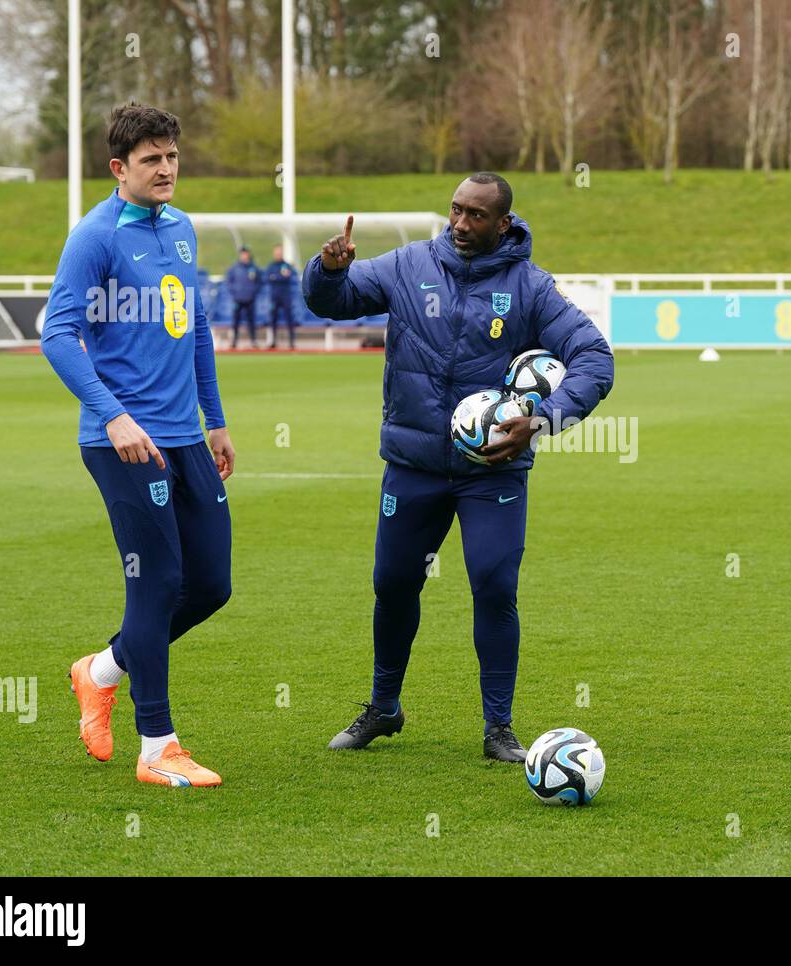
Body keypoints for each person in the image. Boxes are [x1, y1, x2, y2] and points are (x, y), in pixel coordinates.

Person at [303, 172, 614, 762]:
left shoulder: (531, 287)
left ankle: (499, 728)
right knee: (393, 585)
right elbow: (331, 304)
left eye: (476, 216)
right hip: (413, 464)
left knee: (494, 586)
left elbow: (595, 358)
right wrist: (330, 270)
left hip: (492, 472)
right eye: (456, 211)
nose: (462, 225)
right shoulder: (408, 264)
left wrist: (543, 419)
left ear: (503, 224)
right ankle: (383, 707)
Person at [40, 103, 236, 788]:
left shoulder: (181, 228)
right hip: (123, 442)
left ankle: (98, 673)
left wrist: (215, 420)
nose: (167, 169)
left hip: (185, 438)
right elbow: (58, 335)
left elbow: (198, 327)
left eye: (173, 156)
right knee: (155, 587)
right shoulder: (94, 237)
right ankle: (158, 747)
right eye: (152, 159)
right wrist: (114, 416)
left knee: (211, 584)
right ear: (119, 168)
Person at [264, 244, 299, 350]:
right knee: (272, 319)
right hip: (274, 297)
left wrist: (276, 277)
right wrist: (281, 277)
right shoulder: (271, 266)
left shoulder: (287, 265)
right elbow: (267, 277)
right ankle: (273, 341)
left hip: (286, 296)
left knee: (289, 319)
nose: (278, 254)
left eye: (280, 252)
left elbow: (292, 276)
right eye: (276, 252)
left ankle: (291, 342)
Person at [225, 246, 261, 349]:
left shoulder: (254, 268)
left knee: (251, 321)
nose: (244, 256)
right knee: (235, 322)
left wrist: (254, 292)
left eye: (246, 254)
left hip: (250, 299)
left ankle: (253, 341)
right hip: (238, 299)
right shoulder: (234, 268)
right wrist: (235, 292)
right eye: (242, 254)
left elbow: (259, 282)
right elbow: (229, 282)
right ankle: (234, 342)